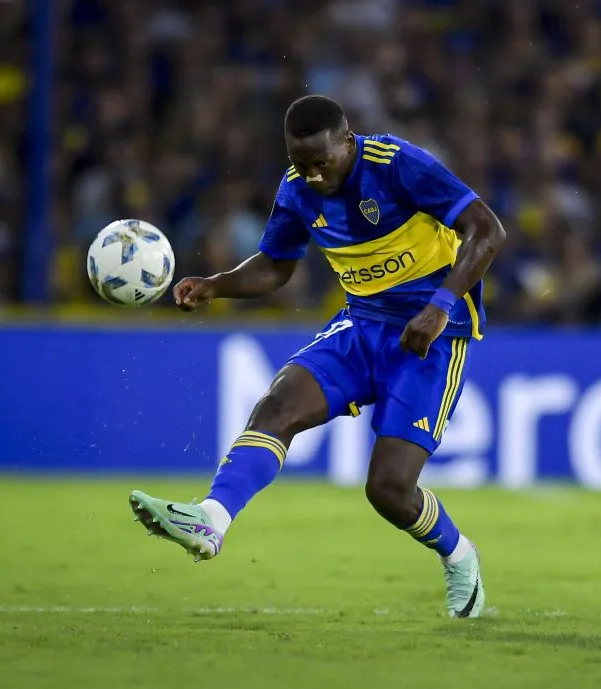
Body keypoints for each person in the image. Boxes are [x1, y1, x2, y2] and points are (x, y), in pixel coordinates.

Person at [129, 95, 506, 619]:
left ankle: (460, 555)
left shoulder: (399, 165)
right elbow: (276, 265)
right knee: (277, 405)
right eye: (300, 164)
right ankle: (210, 520)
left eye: (321, 163)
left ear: (347, 142)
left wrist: (441, 305)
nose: (313, 177)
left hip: (433, 339)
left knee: (390, 490)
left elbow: (487, 231)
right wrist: (217, 285)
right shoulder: (296, 189)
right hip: (361, 325)